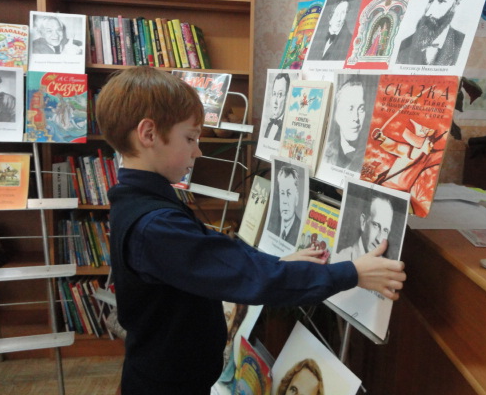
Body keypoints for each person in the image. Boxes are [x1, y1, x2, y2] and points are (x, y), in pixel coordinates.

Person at [95, 66, 406, 394]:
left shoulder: (139, 200)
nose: (198, 150)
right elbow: (245, 275)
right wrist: (352, 273)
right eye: (190, 138)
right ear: (148, 134)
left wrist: (279, 263)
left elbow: (214, 250)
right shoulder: (155, 226)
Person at [396, 0, 469, 66]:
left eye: (441, 1)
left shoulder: (463, 45)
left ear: (458, 3)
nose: (428, 13)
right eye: (430, 1)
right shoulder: (404, 45)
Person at [323, 76, 367, 171]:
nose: (356, 118)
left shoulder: (372, 156)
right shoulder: (324, 150)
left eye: (361, 109)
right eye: (350, 108)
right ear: (337, 114)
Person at [333, 193, 394, 262]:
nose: (379, 239)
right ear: (363, 222)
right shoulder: (342, 258)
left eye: (385, 230)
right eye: (376, 225)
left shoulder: (385, 265)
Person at [274, 165, 302, 246]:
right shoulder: (273, 224)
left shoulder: (300, 229)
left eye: (289, 193)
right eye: (282, 193)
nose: (285, 201)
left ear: (296, 198)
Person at [263, 72, 290, 141]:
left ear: (287, 98)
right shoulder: (270, 125)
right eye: (274, 94)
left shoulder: (288, 127)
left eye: (280, 94)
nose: (275, 101)